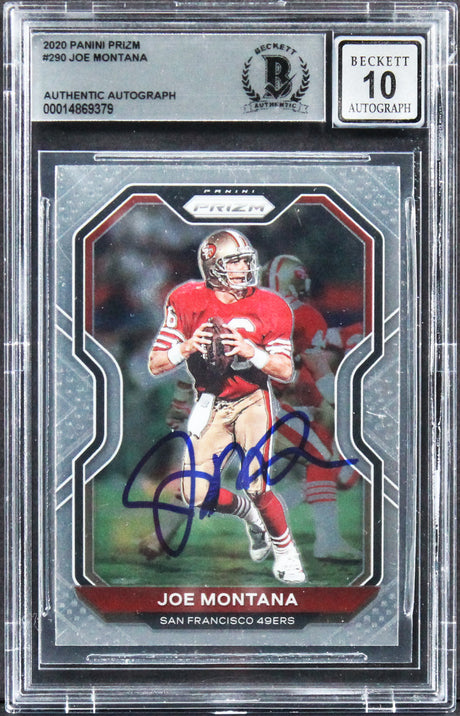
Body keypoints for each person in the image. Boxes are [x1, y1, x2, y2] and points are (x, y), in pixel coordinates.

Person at [147, 229, 306, 583]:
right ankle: (249, 514)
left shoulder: (271, 305)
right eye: (234, 262)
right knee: (193, 493)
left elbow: (284, 370)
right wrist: (187, 346)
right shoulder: (186, 299)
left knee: (257, 484)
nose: (243, 268)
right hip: (211, 402)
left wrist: (253, 352)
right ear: (213, 265)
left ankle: (287, 554)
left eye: (245, 261)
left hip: (252, 400)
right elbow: (156, 363)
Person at [261, 255, 361, 561]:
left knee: (332, 467)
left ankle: (265, 518)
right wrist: (344, 406)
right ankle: (327, 541)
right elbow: (319, 368)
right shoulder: (304, 314)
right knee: (323, 460)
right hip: (260, 404)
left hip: (228, 402)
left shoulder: (254, 310)